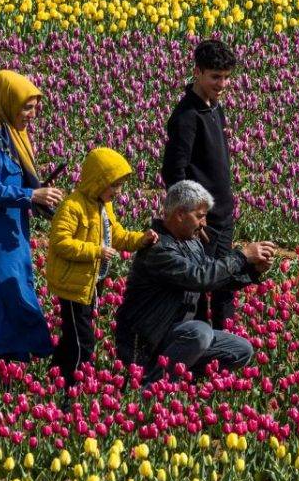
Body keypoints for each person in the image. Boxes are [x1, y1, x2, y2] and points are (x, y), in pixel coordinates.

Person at [116, 181, 279, 385]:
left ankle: (183, 381)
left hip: (181, 335)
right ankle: (152, 388)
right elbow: (199, 277)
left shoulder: (192, 243)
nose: (204, 224)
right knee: (199, 332)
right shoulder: (157, 249)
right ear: (180, 214)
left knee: (240, 350)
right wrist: (241, 256)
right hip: (148, 340)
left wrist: (252, 270)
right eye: (200, 216)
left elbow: (215, 279)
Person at [0, 69, 63, 381]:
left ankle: (8, 372)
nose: (32, 115)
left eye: (35, 107)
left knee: (20, 294)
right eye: (27, 107)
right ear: (6, 103)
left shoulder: (15, 138)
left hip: (13, 234)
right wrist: (31, 194)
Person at [45, 147, 158, 393]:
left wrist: (141, 239)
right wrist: (96, 250)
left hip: (90, 282)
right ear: (98, 181)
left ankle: (55, 377)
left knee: (71, 335)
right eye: (114, 186)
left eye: (120, 186)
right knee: (82, 339)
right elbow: (59, 242)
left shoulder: (102, 205)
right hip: (73, 285)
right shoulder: (73, 206)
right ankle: (74, 387)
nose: (118, 192)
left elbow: (115, 234)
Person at [160, 38, 239, 329]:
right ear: (198, 72)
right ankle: (201, 350)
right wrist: (191, 217)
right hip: (202, 222)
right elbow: (174, 172)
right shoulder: (186, 117)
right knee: (198, 287)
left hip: (223, 215)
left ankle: (222, 348)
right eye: (215, 76)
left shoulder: (214, 109)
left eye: (226, 77)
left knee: (225, 285)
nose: (222, 84)